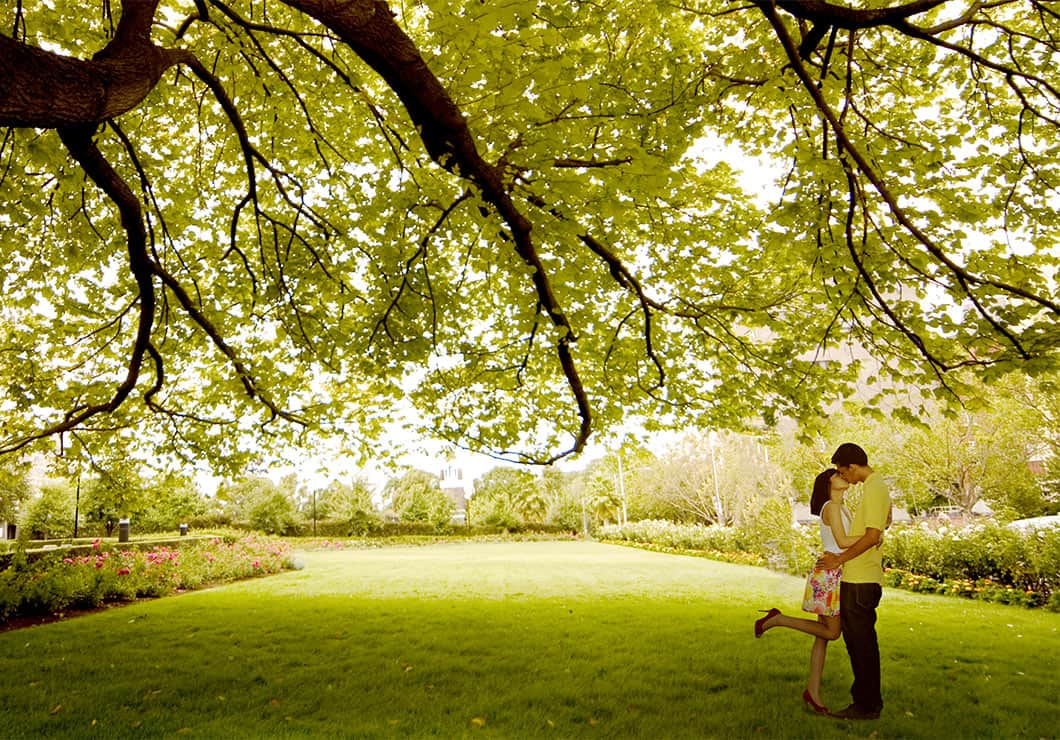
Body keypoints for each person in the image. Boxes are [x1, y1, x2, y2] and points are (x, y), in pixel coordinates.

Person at [754, 468, 859, 714]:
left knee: (823, 635)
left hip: (835, 572)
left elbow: (848, 539)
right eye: (837, 474)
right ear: (828, 483)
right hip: (829, 575)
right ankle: (777, 619)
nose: (843, 475)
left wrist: (876, 528)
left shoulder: (843, 508)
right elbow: (843, 542)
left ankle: (813, 693)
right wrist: (873, 535)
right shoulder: (831, 508)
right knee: (832, 633)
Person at [816, 442, 891, 721]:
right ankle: (867, 702)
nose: (841, 475)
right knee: (862, 645)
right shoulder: (877, 486)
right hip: (861, 577)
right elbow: (878, 527)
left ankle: (866, 706)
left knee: (861, 647)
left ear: (852, 466)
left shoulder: (873, 487)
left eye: (841, 470)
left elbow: (871, 535)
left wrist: (839, 559)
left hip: (860, 579)